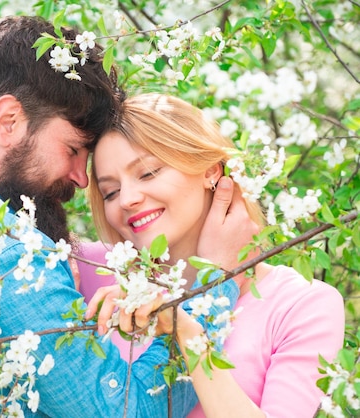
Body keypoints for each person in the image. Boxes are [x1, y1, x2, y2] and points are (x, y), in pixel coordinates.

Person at [0, 16, 256, 417]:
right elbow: (128, 408)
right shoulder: (3, 251)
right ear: (9, 120)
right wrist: (216, 280)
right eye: (73, 150)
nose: (79, 179)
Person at [83, 93, 345, 417]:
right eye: (110, 191)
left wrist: (187, 331)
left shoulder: (302, 306)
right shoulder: (86, 270)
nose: (127, 199)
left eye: (148, 173)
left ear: (210, 170)